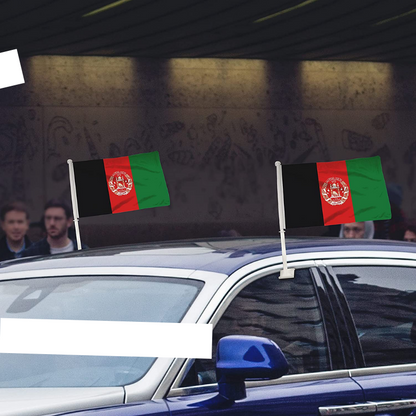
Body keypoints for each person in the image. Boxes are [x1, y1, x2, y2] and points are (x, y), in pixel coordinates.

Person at [22, 199, 86, 257]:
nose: (52, 223)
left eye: (57, 218)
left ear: (69, 222)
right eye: (48, 218)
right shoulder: (31, 254)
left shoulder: (83, 252)